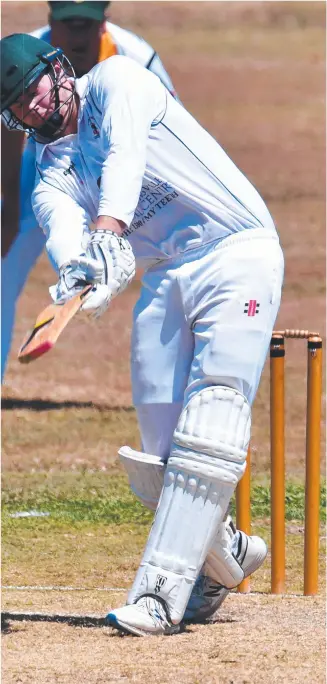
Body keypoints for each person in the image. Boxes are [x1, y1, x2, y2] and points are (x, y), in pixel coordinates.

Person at [1, 33, 284, 636]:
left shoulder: (118, 82)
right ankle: (226, 555)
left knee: (210, 423)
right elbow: (66, 234)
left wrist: (108, 230)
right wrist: (84, 273)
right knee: (159, 451)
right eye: (16, 106)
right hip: (166, 275)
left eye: (33, 91)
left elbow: (126, 159)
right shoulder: (52, 171)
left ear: (59, 70)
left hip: (236, 249)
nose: (31, 108)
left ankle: (158, 596)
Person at [1, 0, 177, 381]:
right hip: (41, 174)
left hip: (115, 179)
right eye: (69, 25)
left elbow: (167, 125)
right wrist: (12, 207)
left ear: (104, 23)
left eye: (87, 24)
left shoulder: (135, 57)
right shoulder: (24, 53)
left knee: (160, 272)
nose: (78, 36)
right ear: (51, 24)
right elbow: (7, 131)